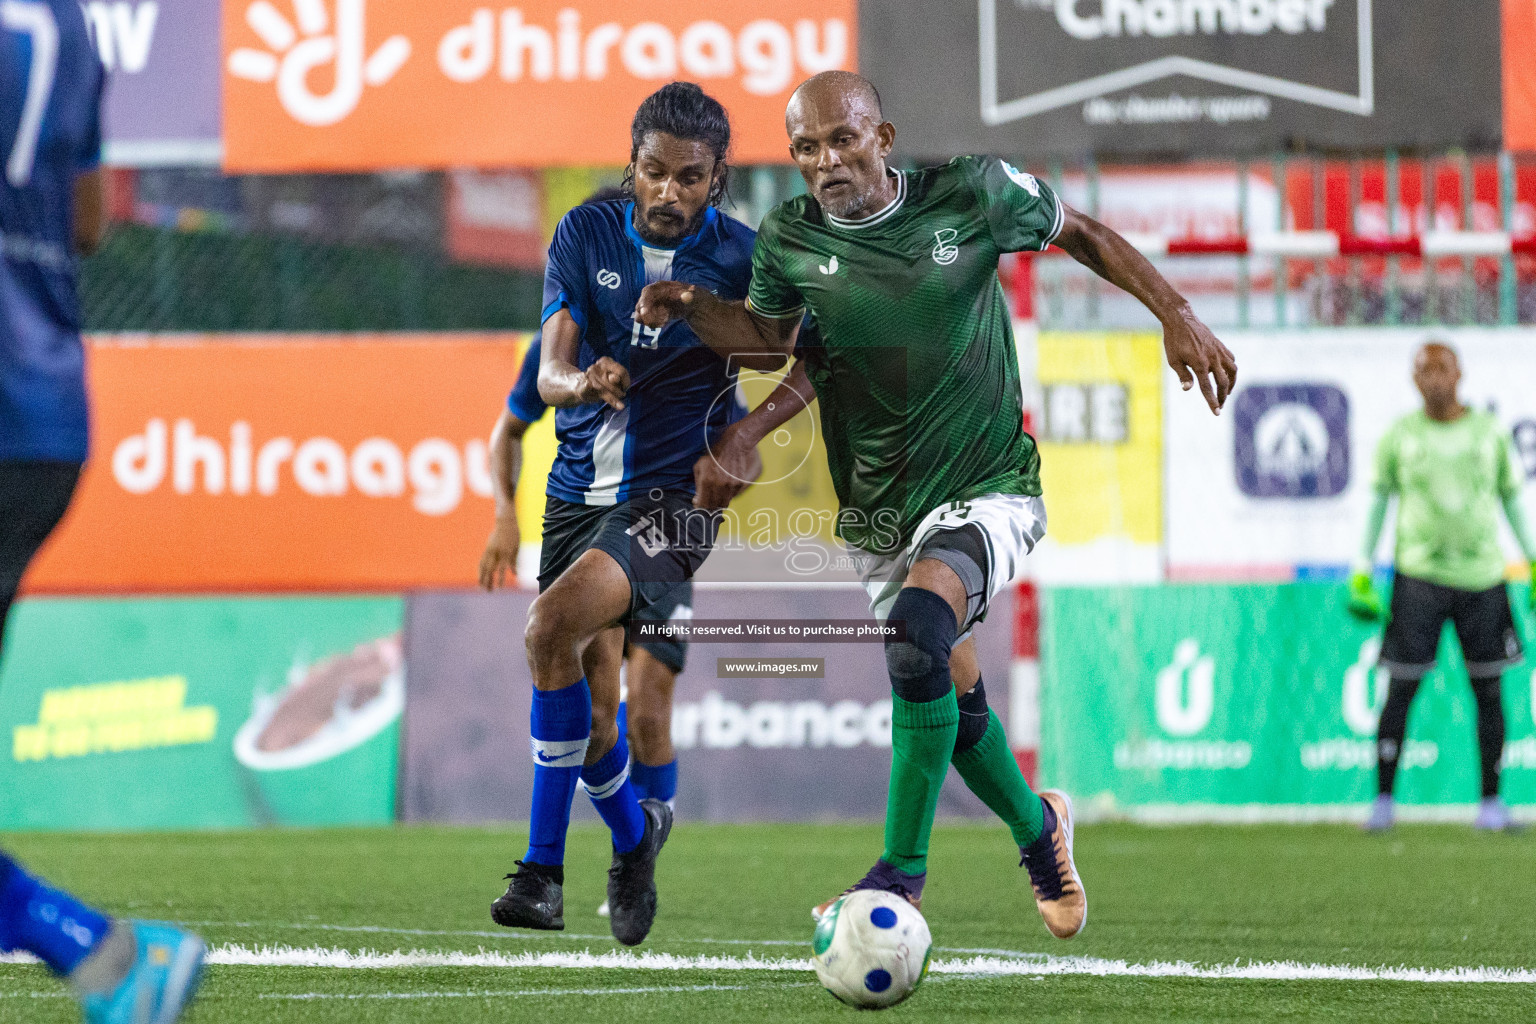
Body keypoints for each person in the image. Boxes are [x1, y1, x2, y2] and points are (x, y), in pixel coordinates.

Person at [636, 70, 1235, 939]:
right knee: (951, 706)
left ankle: (898, 876)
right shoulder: (792, 237)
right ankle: (1041, 831)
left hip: (988, 484)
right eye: (806, 148)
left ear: (883, 138)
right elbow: (774, 344)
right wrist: (702, 325)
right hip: (880, 509)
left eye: (843, 141)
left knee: (917, 633)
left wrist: (1174, 310)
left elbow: (1085, 232)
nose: (826, 162)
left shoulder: (973, 193)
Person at [490, 82, 765, 946]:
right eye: (654, 172)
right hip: (577, 496)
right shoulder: (584, 233)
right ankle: (635, 836)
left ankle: (541, 874)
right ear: (631, 167)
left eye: (690, 177)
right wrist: (584, 383)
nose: (669, 192)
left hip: (674, 502)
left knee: (559, 636)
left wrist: (746, 437)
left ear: (716, 180)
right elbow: (548, 373)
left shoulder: (744, 257)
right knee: (598, 710)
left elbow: (791, 350)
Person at [1, 2, 205, 1018]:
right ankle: (99, 954)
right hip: (39, 416)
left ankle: (97, 949)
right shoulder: (68, 20)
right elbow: (85, 219)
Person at [479, 313, 690, 920]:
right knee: (598, 727)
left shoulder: (679, 334)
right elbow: (508, 431)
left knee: (646, 706)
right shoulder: (557, 345)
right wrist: (503, 514)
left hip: (654, 528)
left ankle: (544, 870)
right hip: (579, 525)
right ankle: (635, 840)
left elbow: (728, 430)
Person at [1349, 341, 1535, 832]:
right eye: (1423, 371)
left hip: (1483, 580)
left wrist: (1534, 562)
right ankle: (1383, 802)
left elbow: (1512, 500)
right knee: (1401, 689)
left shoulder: (1489, 432)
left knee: (1489, 691)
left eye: (1441, 369)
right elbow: (1378, 502)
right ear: (1414, 381)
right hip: (1418, 580)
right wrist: (1361, 568)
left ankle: (1491, 805)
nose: (1433, 379)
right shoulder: (1400, 435)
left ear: (1459, 375)